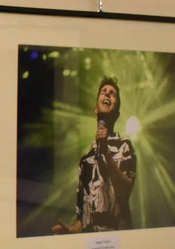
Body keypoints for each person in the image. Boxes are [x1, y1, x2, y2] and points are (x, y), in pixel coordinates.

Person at [52, 76, 137, 234]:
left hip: (117, 237)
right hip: (90, 243)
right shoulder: (85, 159)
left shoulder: (124, 145)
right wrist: (70, 230)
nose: (107, 94)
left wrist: (106, 154)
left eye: (112, 93)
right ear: (96, 110)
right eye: (103, 92)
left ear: (117, 113)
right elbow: (81, 219)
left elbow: (125, 191)